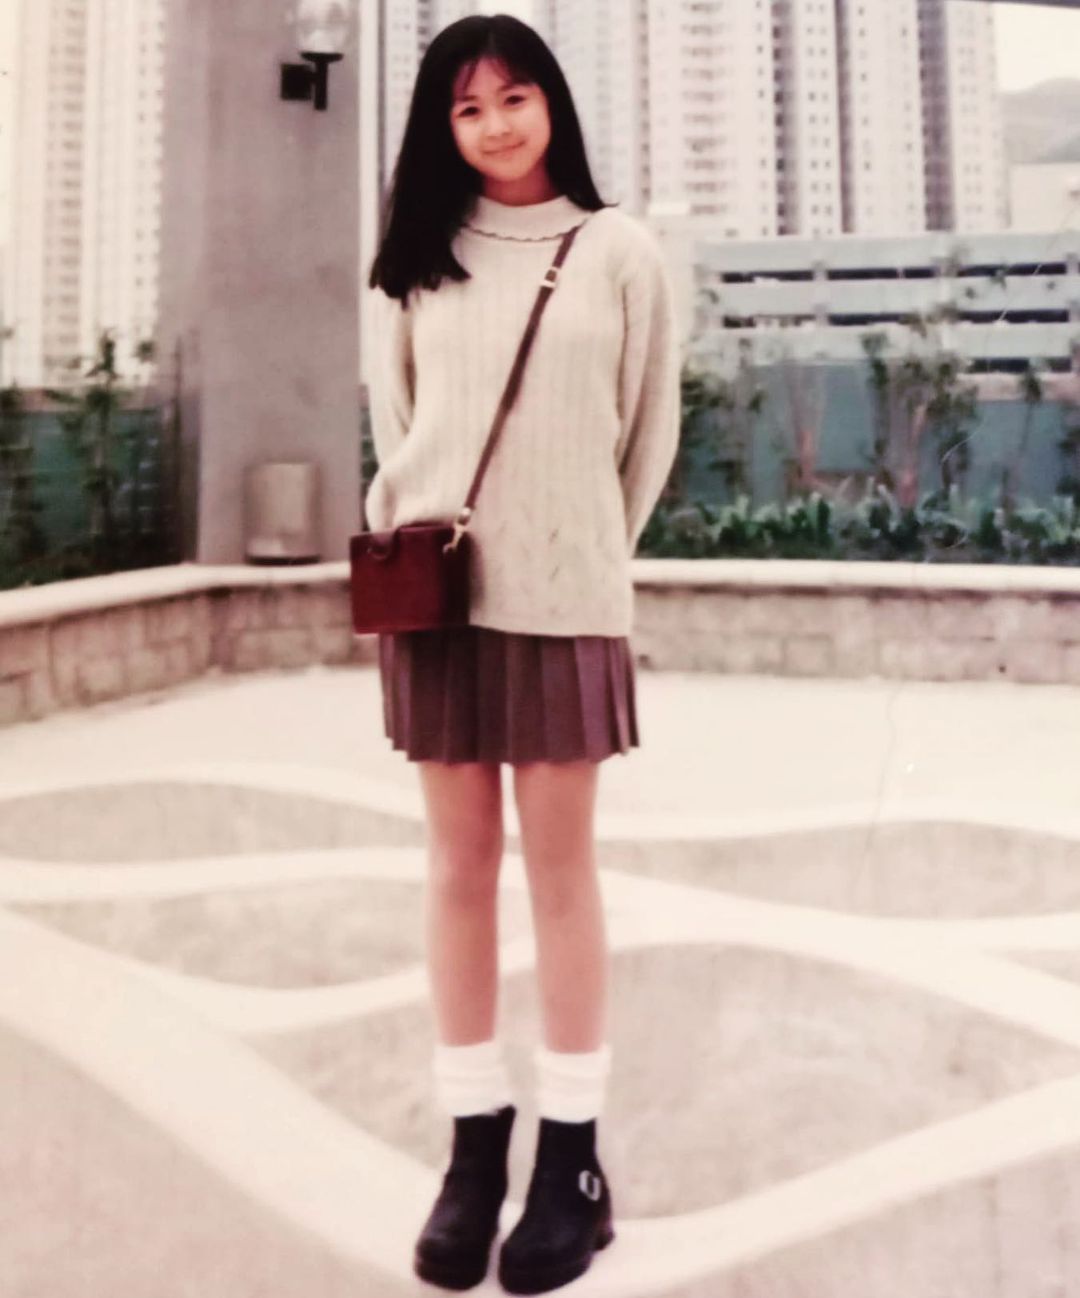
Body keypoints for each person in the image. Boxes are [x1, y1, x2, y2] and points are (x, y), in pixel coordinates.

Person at [364, 12, 680, 1294]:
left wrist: (578, 554)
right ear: (440, 128)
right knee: (456, 866)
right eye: (466, 107)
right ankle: (471, 1149)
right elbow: (402, 428)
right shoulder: (413, 262)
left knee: (560, 872)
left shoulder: (619, 251)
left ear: (553, 103)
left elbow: (644, 438)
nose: (495, 124)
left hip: (567, 597)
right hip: (438, 599)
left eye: (514, 97)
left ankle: (573, 1163)